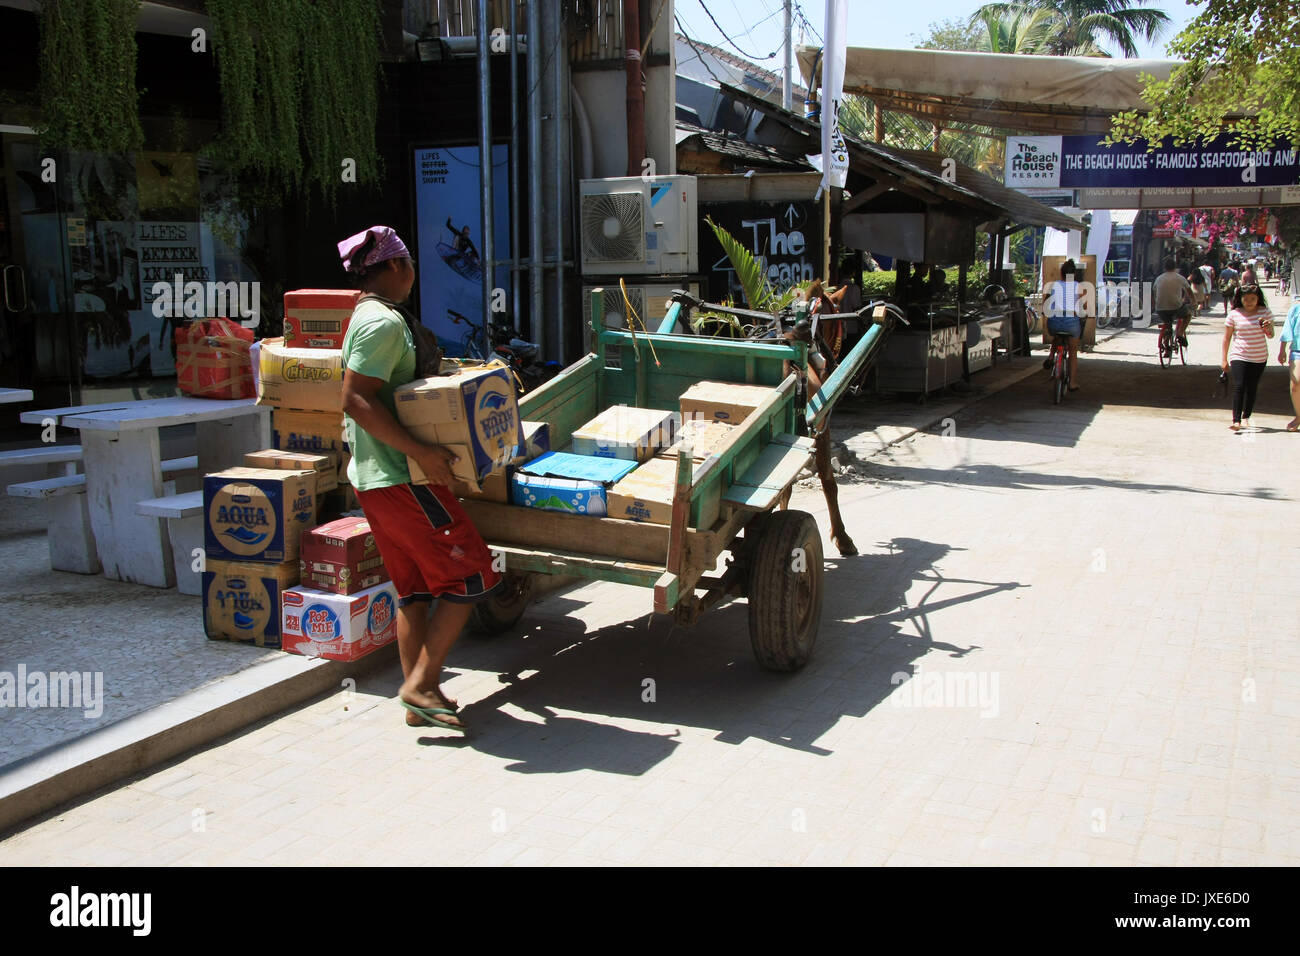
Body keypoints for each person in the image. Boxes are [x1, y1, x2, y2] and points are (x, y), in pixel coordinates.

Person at [337, 225, 503, 732]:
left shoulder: (367, 317)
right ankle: (421, 683)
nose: (413, 272)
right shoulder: (382, 324)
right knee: (473, 573)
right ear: (393, 267)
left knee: (413, 591)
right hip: (401, 477)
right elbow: (355, 399)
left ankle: (417, 698)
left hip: (373, 479)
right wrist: (424, 455)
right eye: (409, 263)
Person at [1221, 282, 1273, 432]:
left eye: (1252, 299)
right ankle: (1236, 420)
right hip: (1239, 355)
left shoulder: (1265, 312)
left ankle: (1246, 416)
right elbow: (1227, 338)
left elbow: (1270, 336)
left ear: (1258, 299)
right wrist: (1224, 359)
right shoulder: (1234, 314)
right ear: (1240, 299)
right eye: (1246, 299)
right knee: (1239, 385)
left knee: (1252, 387)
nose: (1249, 302)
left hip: (1259, 357)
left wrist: (1267, 328)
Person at [1044, 258, 1086, 390]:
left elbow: (1046, 305)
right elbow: (1084, 307)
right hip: (1071, 323)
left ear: (1061, 274)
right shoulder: (1079, 286)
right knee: (1073, 352)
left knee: (1057, 333)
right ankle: (1072, 383)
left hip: (1054, 322)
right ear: (1074, 275)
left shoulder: (1053, 285)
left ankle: (1051, 356)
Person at [1153, 257, 1192, 347]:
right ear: (1175, 268)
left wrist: (1155, 304)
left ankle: (1166, 347)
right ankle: (1180, 333)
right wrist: (1194, 301)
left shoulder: (1159, 278)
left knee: (1167, 324)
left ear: (1164, 268)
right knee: (1188, 315)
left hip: (1160, 308)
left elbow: (1154, 292)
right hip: (1176, 307)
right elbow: (1189, 291)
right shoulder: (1180, 278)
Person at [1279, 297, 1300, 432]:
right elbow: (1287, 331)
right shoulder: (1296, 309)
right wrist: (1282, 350)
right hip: (1298, 350)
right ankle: (1299, 416)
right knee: (1296, 383)